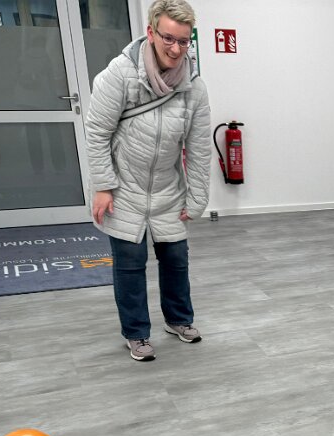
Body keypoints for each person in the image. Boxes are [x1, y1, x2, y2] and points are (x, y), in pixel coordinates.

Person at [86, 0, 211, 361]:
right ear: (151, 33)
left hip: (167, 190)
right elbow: (97, 133)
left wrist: (197, 198)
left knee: (176, 260)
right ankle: (137, 333)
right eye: (168, 38)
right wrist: (104, 186)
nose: (175, 49)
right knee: (129, 264)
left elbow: (199, 148)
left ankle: (179, 319)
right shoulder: (119, 74)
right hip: (123, 188)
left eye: (184, 41)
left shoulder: (194, 87)